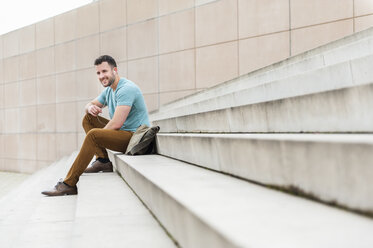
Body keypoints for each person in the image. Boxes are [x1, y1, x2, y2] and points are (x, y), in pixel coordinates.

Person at [42, 55, 150, 196]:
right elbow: (90, 104)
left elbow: (117, 123)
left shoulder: (126, 89)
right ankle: (103, 160)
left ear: (115, 70)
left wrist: (98, 137)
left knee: (94, 135)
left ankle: (68, 184)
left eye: (104, 71)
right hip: (124, 133)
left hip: (136, 138)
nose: (101, 76)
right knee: (88, 119)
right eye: (98, 73)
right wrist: (90, 108)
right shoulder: (109, 90)